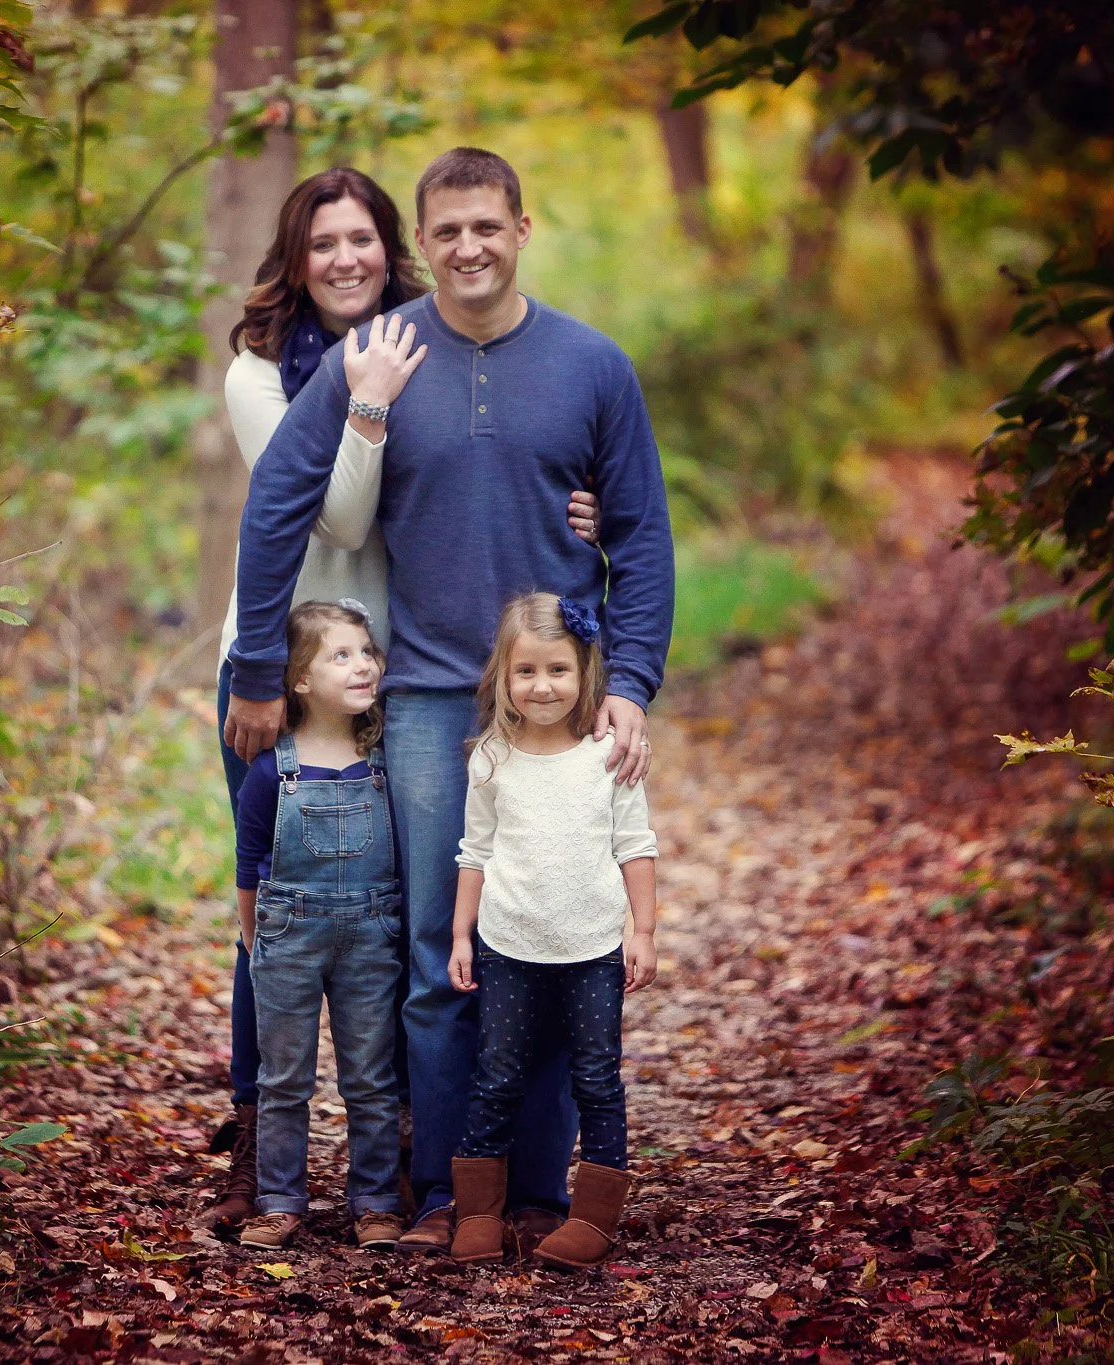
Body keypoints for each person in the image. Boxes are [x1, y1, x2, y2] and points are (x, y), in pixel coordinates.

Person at [224, 147, 674, 1256]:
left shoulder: (591, 365)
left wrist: (629, 683)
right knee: (439, 952)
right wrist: (251, 672)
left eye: (488, 225)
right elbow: (279, 502)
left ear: (521, 226)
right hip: (426, 699)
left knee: (556, 946)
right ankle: (441, 1193)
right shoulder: (379, 357)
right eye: (447, 231)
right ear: (420, 245)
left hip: (555, 704)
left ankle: (536, 1190)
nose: (468, 247)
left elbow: (640, 535)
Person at [444, 593, 658, 1269]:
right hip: (508, 944)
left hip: (593, 947)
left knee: (596, 1077)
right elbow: (473, 853)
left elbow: (637, 845)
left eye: (558, 670)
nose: (542, 685)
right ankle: (479, 1212)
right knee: (496, 1074)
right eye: (526, 671)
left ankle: (593, 1218)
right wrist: (459, 936)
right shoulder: (491, 759)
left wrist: (643, 929)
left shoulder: (607, 757)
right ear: (503, 678)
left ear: (585, 671)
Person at [231, 600, 407, 1252]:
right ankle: (279, 1199)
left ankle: (376, 1199)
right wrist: (256, 943)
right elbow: (249, 863)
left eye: (367, 651)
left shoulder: (385, 759)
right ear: (299, 679)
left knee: (370, 1073)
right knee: (284, 1077)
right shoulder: (270, 768)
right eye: (342, 654)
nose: (364, 664)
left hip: (371, 931)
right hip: (287, 934)